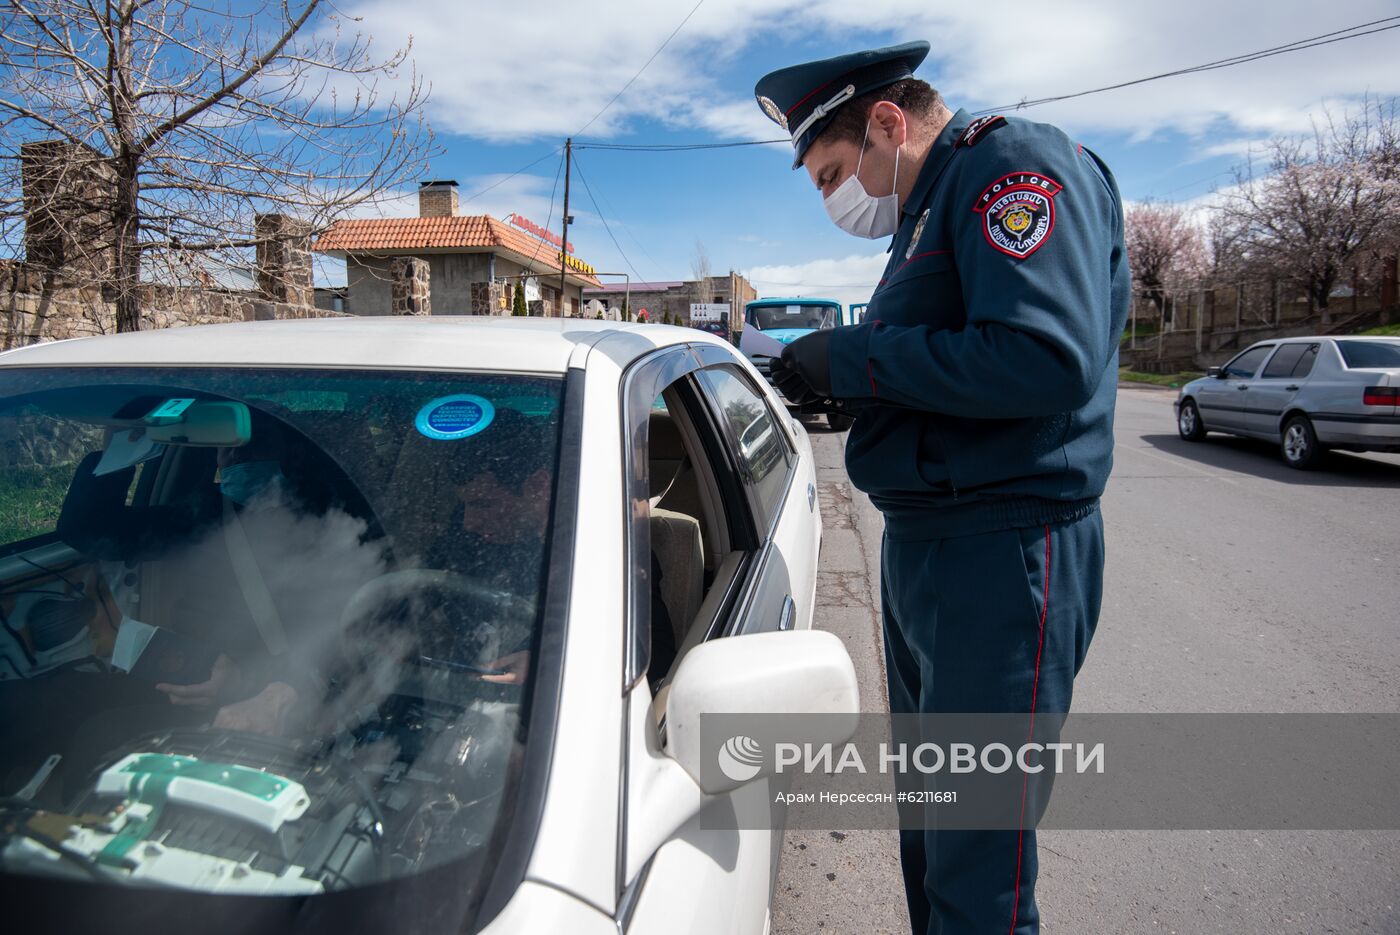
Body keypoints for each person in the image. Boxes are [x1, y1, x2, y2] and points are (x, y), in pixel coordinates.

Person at [754, 42, 1128, 935]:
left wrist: (853, 357)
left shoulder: (1010, 163)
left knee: (977, 869)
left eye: (835, 172)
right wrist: (844, 391)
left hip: (1001, 554)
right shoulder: (928, 207)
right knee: (930, 835)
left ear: (888, 120)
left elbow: (1045, 357)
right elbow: (944, 373)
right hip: (931, 551)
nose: (835, 200)